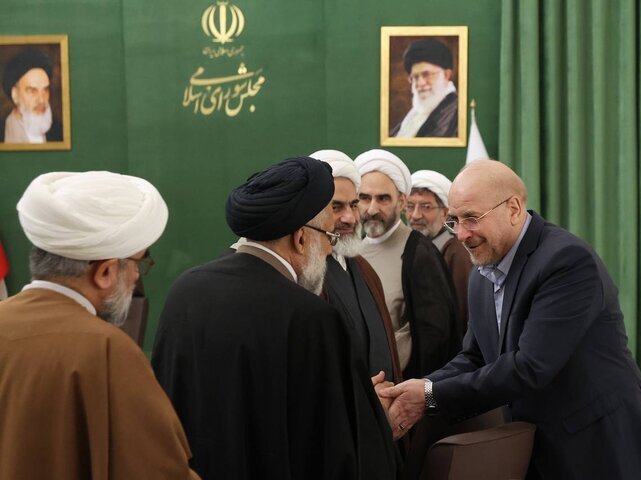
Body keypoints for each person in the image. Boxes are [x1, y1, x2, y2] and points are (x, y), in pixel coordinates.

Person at [380, 160, 641, 479]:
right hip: (536, 445)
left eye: (472, 218)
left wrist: (429, 397)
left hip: (600, 445)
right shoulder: (482, 272)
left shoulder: (566, 261)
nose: (461, 234)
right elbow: (475, 356)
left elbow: (530, 367)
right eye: (454, 220)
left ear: (514, 208)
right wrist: (423, 387)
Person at [152, 157, 397, 479]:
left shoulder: (185, 291)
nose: (328, 251)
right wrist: (368, 410)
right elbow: (335, 448)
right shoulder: (310, 318)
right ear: (300, 238)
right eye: (329, 238)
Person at [0, 171, 198, 479]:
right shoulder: (107, 350)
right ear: (105, 272)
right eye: (138, 263)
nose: (136, 276)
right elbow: (158, 470)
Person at [356, 149, 462, 380]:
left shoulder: (419, 252)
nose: (372, 209)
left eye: (383, 199)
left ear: (401, 201)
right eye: (365, 198)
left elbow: (435, 337)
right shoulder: (354, 252)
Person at [311, 149, 403, 384]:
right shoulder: (306, 274)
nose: (350, 218)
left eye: (353, 205)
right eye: (336, 207)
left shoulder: (363, 268)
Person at [409, 169, 473, 326]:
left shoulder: (457, 253)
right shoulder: (410, 249)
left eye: (426, 207)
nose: (415, 215)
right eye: (410, 206)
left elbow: (460, 315)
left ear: (445, 213)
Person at [391, 38, 457, 138]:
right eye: (415, 77)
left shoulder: (456, 111)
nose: (420, 83)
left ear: (446, 75)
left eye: (427, 75)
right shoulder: (415, 113)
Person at [1, 47, 62, 143]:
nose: (41, 100)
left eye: (45, 90)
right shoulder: (2, 131)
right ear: (15, 95)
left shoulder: (59, 132)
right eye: (32, 91)